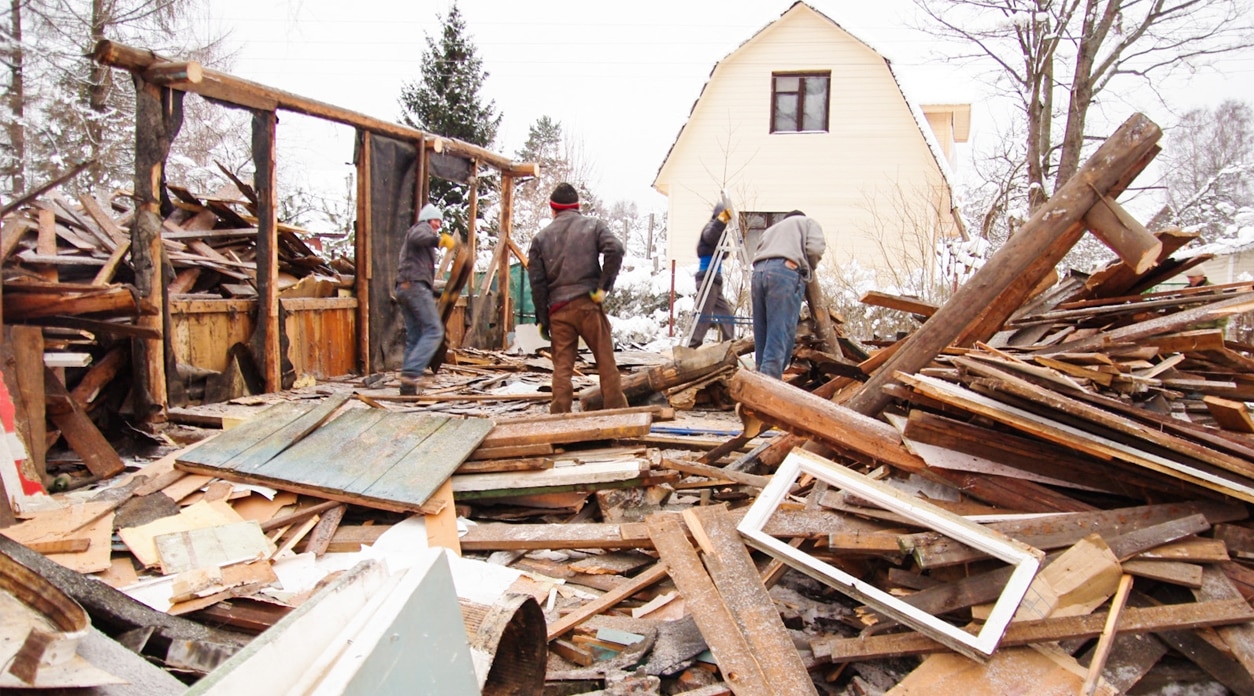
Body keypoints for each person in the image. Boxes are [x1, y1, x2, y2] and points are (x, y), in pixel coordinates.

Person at [527, 183, 629, 414]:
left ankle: (560, 414)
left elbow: (537, 283)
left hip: (559, 311)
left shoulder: (541, 238)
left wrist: (542, 318)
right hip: (588, 305)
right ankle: (617, 412)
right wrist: (603, 287)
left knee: (562, 366)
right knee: (605, 361)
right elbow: (615, 249)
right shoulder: (593, 226)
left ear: (553, 210)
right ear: (577, 207)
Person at [750, 210, 825, 379]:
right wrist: (808, 269)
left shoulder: (771, 230)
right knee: (779, 334)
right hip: (784, 273)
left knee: (762, 334)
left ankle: (758, 382)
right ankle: (767, 392)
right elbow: (814, 249)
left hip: (758, 273)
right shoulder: (807, 222)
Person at [395, 202, 455, 396]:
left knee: (414, 337)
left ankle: (407, 388)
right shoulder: (420, 229)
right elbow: (419, 236)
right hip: (413, 286)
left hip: (406, 287)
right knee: (434, 331)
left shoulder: (419, 242)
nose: (438, 225)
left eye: (440, 221)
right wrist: (438, 241)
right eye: (436, 220)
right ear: (427, 219)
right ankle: (412, 373)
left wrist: (436, 292)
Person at [688, 201, 736, 348]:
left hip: (714, 280)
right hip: (707, 277)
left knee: (725, 314)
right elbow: (710, 236)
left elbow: (725, 253)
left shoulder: (720, 233)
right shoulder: (711, 227)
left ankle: (730, 343)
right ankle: (692, 346)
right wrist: (722, 220)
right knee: (704, 314)